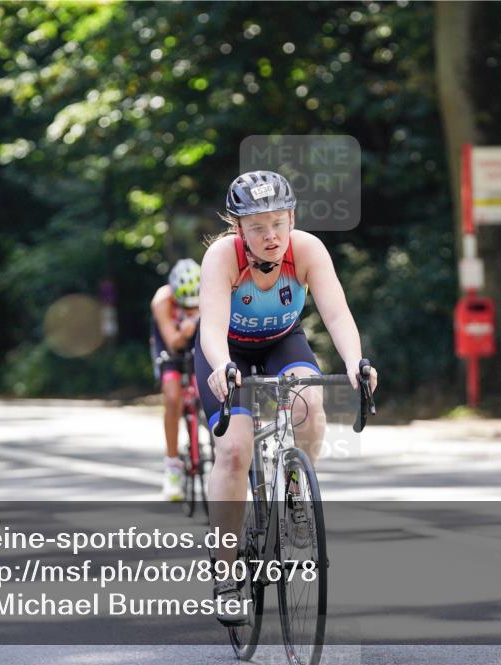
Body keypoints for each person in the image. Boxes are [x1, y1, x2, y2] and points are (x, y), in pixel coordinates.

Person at [195, 170, 378, 625]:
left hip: (282, 341)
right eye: (257, 227)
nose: (271, 235)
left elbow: (336, 312)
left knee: (309, 407)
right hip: (226, 353)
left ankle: (295, 496)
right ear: (239, 229)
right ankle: (226, 572)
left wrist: (356, 362)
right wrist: (221, 367)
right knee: (235, 450)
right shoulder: (223, 257)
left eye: (278, 222)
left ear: (292, 217)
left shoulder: (308, 249)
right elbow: (212, 329)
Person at [150, 258, 201, 500]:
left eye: (195, 305)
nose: (191, 309)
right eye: (186, 305)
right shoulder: (162, 299)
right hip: (170, 344)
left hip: (197, 342)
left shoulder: (212, 290)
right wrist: (185, 329)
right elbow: (173, 342)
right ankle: (172, 466)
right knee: (172, 398)